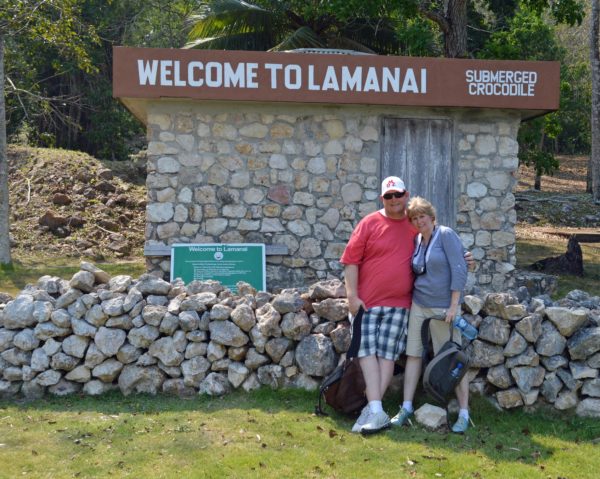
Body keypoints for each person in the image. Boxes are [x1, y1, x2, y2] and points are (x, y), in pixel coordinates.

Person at [340, 175, 416, 434]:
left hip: (400, 303)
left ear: (406, 195)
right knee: (365, 351)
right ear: (382, 198)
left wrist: (464, 257)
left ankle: (373, 410)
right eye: (389, 196)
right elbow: (351, 261)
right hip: (367, 302)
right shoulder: (369, 223)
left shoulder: (415, 223)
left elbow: (438, 243)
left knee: (387, 355)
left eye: (398, 194)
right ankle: (375, 409)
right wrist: (352, 297)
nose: (394, 200)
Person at [390, 196, 471, 433]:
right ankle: (406, 407)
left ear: (431, 217)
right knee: (413, 353)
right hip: (419, 304)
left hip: (443, 308)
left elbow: (459, 268)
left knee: (452, 357)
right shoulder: (417, 240)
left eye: (421, 216)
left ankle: (464, 412)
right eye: (414, 218)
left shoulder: (445, 234)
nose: (418, 221)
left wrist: (454, 306)